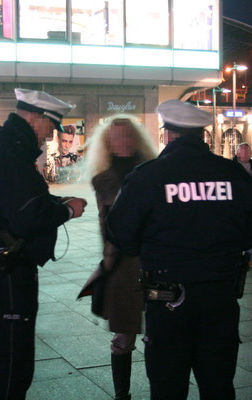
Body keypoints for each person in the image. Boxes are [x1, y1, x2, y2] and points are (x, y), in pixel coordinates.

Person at [106, 100, 252, 400]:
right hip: (221, 295)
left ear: (169, 134)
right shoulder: (233, 174)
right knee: (218, 383)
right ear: (202, 134)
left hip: (168, 299)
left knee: (168, 385)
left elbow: (121, 235)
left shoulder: (147, 176)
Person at [0, 88, 87, 399]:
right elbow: (27, 216)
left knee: (0, 351)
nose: (49, 135)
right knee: (12, 359)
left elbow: (13, 200)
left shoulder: (4, 144)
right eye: (49, 127)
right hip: (2, 267)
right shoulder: (10, 151)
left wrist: (55, 200)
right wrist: (67, 209)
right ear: (34, 117)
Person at [83, 114, 157, 400]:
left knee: (157, 332)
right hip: (122, 263)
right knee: (123, 335)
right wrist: (108, 262)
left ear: (136, 138)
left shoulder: (153, 171)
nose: (122, 140)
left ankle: (160, 388)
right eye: (115, 136)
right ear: (108, 143)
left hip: (154, 260)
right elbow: (106, 225)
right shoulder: (103, 180)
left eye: (126, 134)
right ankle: (121, 393)